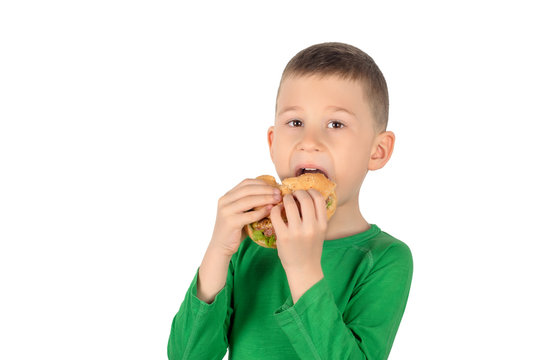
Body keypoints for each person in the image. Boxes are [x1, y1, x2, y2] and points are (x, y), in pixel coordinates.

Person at [167, 42, 413, 359]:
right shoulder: (248, 244)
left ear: (377, 151)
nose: (309, 141)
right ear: (273, 143)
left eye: (336, 124)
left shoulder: (384, 258)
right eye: (295, 122)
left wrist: (302, 267)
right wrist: (219, 250)